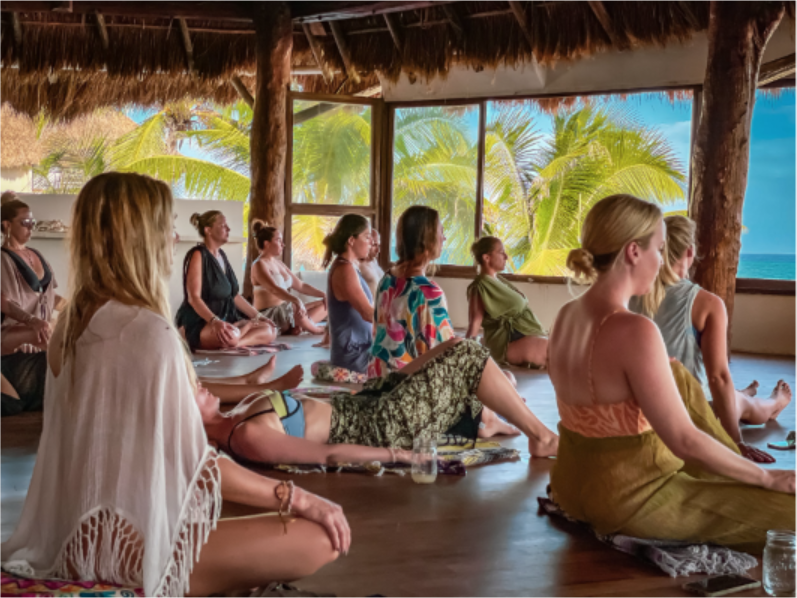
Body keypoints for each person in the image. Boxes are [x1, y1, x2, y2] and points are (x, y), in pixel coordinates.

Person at [1, 173, 348, 597]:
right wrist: (297, 496)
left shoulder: (72, 324)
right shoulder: (144, 329)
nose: (174, 237)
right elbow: (199, 465)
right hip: (129, 551)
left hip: (75, 536)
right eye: (167, 226)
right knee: (318, 536)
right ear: (141, 237)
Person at [547, 194, 793, 553]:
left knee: (676, 374)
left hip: (571, 486)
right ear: (633, 252)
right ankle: (742, 472)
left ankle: (732, 466)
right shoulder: (635, 330)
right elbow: (685, 441)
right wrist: (769, 477)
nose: (662, 261)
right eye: (659, 249)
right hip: (629, 497)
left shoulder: (565, 315)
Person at [199, 337, 559, 469]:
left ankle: (487, 420)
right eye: (194, 394)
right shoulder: (245, 435)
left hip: (369, 400)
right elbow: (328, 455)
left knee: (452, 345)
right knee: (466, 356)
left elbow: (223, 387)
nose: (201, 390)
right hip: (379, 426)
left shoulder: (235, 412)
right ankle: (540, 436)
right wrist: (398, 456)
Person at [630, 215, 790, 463]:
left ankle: (743, 393)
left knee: (730, 394)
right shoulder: (706, 303)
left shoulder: (628, 294)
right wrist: (735, 444)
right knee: (741, 403)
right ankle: (773, 403)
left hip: (638, 412)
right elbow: (718, 377)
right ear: (690, 252)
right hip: (687, 417)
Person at [368, 206, 455, 378]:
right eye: (441, 232)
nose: (444, 238)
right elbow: (443, 356)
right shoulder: (428, 292)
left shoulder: (387, 280)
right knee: (503, 379)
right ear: (427, 239)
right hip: (408, 387)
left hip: (378, 377)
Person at [1, 193, 66, 415]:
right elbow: (3, 302)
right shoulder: (2, 258)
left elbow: (52, 298)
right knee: (52, 336)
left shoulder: (36, 254)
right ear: (7, 225)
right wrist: (33, 321)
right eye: (25, 222)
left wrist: (75, 308)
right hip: (11, 330)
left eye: (33, 222)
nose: (30, 227)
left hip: (40, 327)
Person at [175, 211, 277, 353]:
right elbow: (194, 298)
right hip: (202, 321)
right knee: (231, 336)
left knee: (270, 330)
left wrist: (259, 316)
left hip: (228, 318)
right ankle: (236, 337)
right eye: (223, 225)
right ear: (208, 230)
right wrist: (214, 321)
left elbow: (234, 296)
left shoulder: (222, 255)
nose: (228, 229)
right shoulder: (198, 254)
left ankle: (234, 342)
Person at [466, 236, 548, 368]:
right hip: (507, 342)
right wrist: (465, 354)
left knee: (564, 350)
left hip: (523, 334)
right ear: (486, 258)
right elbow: (475, 322)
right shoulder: (480, 286)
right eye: (501, 252)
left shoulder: (499, 281)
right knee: (556, 353)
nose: (506, 257)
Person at [312, 215, 374, 383]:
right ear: (351, 240)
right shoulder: (344, 270)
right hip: (353, 357)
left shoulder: (350, 267)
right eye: (367, 237)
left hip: (361, 349)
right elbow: (368, 314)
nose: (371, 242)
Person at [250, 220, 328, 336]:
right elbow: (274, 289)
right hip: (270, 314)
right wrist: (296, 300)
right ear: (267, 243)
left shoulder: (279, 264)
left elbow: (301, 286)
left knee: (326, 303)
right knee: (293, 306)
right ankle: (315, 329)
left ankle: (299, 326)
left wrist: (324, 295)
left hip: (287, 312)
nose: (283, 244)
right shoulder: (259, 265)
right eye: (279, 240)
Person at [359, 228, 384, 299]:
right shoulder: (357, 264)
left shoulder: (374, 261)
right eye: (374, 245)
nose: (378, 250)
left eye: (379, 245)